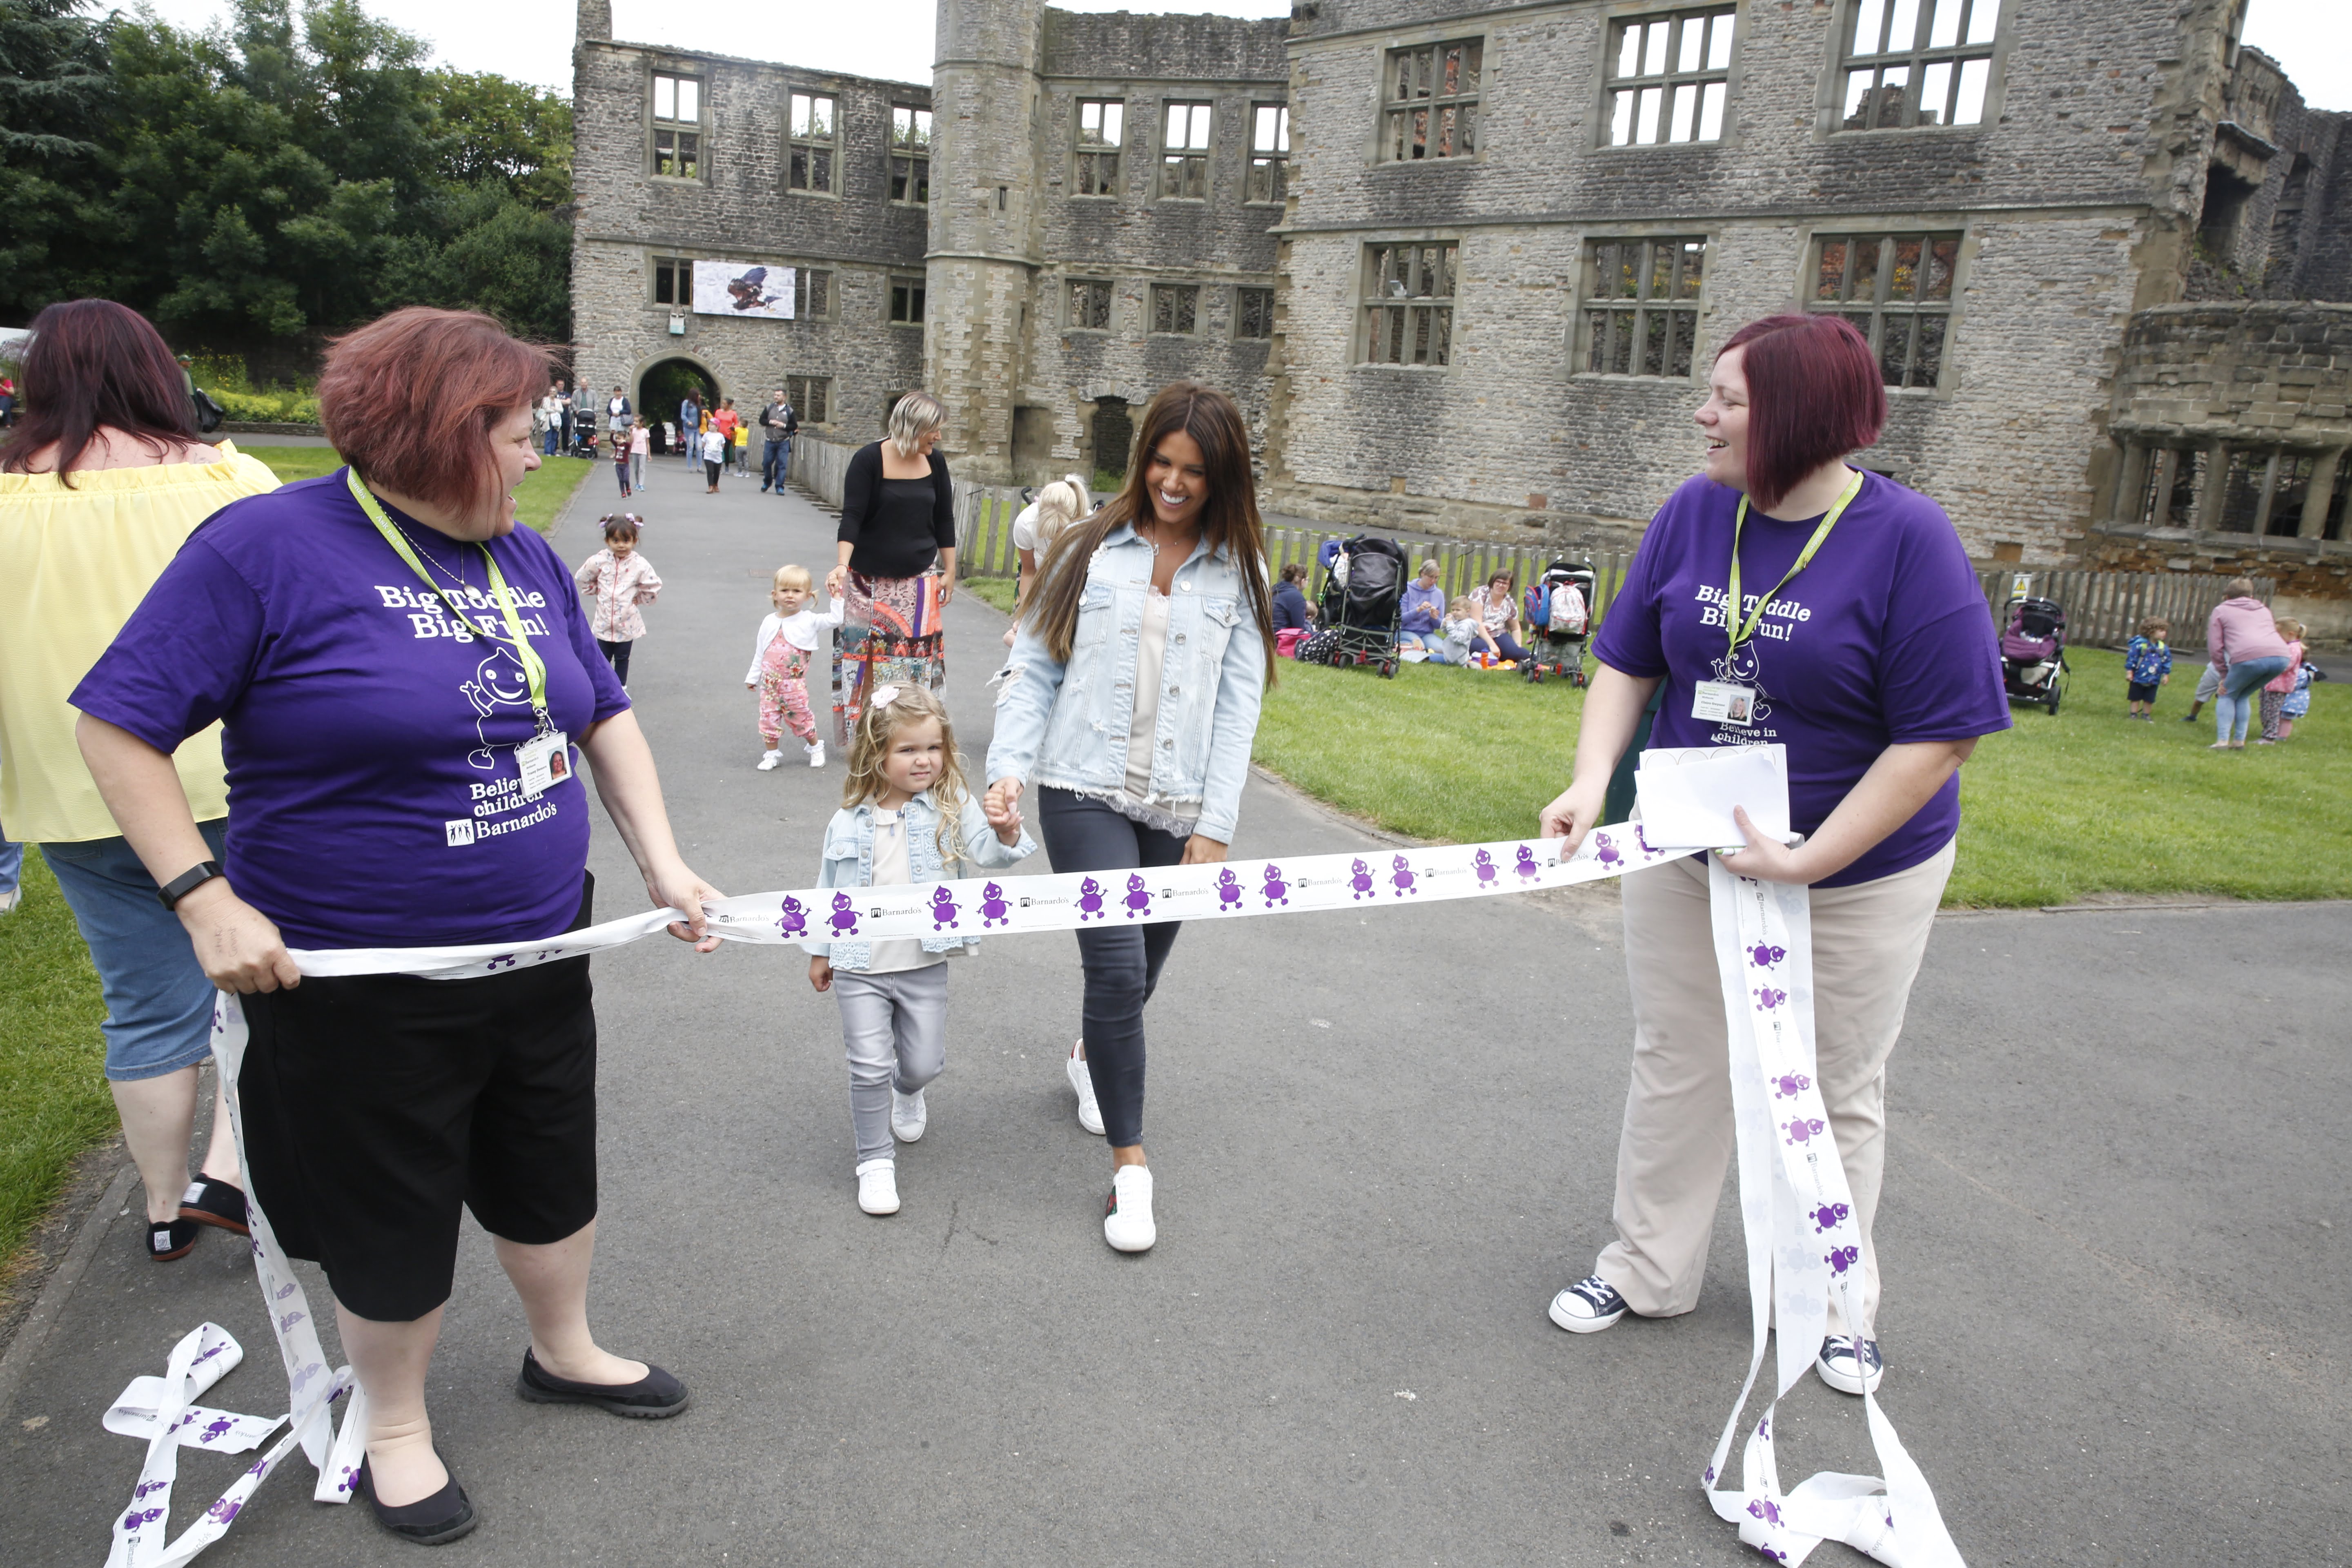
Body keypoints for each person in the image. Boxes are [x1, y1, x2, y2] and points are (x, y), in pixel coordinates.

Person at [71, 305, 723, 1545]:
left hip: (537, 948)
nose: (541, 454)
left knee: (547, 1168)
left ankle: (564, 1347)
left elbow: (597, 715)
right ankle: (396, 1424)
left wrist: (666, 862)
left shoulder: (524, 556)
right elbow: (119, 723)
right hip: (355, 979)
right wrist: (200, 894)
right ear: (442, 436)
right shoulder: (263, 549)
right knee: (392, 1207)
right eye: (521, 435)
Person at [1534, 313, 2010, 1401]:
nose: (1704, 415)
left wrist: (1813, 859)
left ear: (1796, 416)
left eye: (1730, 401)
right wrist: (1590, 778)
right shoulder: (1698, 512)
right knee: (1680, 1056)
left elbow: (1940, 737)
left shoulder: (1908, 539)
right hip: (1689, 846)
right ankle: (1646, 1270)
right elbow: (1626, 659)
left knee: (1831, 1084)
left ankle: (1833, 1305)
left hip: (1857, 873)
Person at [0, 298, 278, 1264]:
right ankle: (229, 1166)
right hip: (224, 775)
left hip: (71, 789)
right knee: (268, 976)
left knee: (142, 998)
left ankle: (163, 1210)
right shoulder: (234, 483)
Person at [983, 381, 1276, 1254]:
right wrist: (1007, 772)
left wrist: (1215, 826)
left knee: (1137, 979)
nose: (1174, 484)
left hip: (1180, 802)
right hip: (1080, 787)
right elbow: (1033, 673)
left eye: (1194, 472)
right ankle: (1132, 1171)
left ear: (1222, 478)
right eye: (1161, 463)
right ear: (1142, 457)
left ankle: (1087, 1060)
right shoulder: (1086, 548)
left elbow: (1238, 707)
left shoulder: (1240, 571)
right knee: (1114, 973)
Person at [805, 686, 1034, 1216]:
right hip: (858, 965)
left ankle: (908, 1091)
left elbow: (990, 855)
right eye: (908, 750)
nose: (924, 760)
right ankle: (875, 1162)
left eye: (933, 748)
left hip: (923, 963)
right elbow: (826, 891)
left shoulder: (953, 807)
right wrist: (819, 951)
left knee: (924, 1063)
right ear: (877, 754)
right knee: (867, 1066)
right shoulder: (847, 822)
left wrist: (1006, 832)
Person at [826, 391, 958, 735]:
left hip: (918, 585)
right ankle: (868, 734)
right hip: (866, 585)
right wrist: (842, 565)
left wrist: (950, 570)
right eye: (934, 429)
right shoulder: (869, 460)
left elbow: (944, 519)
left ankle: (907, 733)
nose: (939, 437)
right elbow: (852, 516)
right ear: (912, 427)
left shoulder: (936, 463)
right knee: (866, 661)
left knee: (914, 664)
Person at [746, 564, 845, 769]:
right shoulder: (768, 621)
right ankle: (771, 754)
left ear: (808, 596)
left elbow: (836, 619)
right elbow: (760, 651)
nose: (790, 596)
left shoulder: (809, 620)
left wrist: (837, 597)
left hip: (794, 685)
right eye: (784, 591)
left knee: (801, 718)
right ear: (775, 595)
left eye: (797, 591)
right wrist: (753, 676)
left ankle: (816, 747)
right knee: (768, 720)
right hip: (769, 684)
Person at [1003, 474, 1093, 647]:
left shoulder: (1088, 526)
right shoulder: (1026, 523)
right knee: (1020, 638)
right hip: (1037, 579)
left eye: (1060, 530)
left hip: (1073, 585)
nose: (1053, 538)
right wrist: (1025, 616)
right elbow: (1029, 572)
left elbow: (1085, 581)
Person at [575, 515, 662, 688]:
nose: (621, 545)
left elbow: (653, 584)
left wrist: (639, 598)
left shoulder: (639, 564)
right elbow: (582, 577)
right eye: (616, 540)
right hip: (604, 621)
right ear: (607, 541)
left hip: (626, 622)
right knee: (602, 657)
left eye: (626, 541)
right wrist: (596, 589)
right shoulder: (599, 561)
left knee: (622, 658)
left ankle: (620, 688)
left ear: (635, 541)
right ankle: (602, 687)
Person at [2205, 577, 2291, 751]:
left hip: (2248, 657)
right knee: (2243, 695)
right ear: (2251, 595)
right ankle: (2239, 742)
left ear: (2227, 596)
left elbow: (2215, 646)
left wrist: (2224, 674)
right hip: (2281, 657)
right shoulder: (2264, 609)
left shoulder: (2221, 611)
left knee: (2227, 694)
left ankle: (2223, 741)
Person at [1469, 570, 1534, 663]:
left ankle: (1536, 659)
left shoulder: (1509, 603)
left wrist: (1518, 647)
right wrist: (1492, 645)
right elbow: (1477, 622)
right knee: (1485, 650)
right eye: (1498, 582)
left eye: (1505, 583)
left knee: (1514, 653)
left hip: (1498, 633)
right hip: (1475, 634)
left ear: (1509, 586)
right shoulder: (1480, 593)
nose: (1501, 585)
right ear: (1492, 582)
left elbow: (1515, 628)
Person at [2258, 618, 2305, 744]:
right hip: (2270, 683)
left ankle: (2269, 737)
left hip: (2279, 686)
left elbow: (2286, 665)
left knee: (2272, 712)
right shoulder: (2287, 646)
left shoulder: (2293, 649)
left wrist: (2269, 665)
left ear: (2290, 634)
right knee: (2265, 709)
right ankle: (2267, 732)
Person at [2124, 616, 2172, 720]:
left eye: (2165, 631)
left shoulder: (2163, 648)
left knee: (2149, 699)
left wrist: (2166, 675)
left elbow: (2166, 662)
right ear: (2151, 632)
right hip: (2138, 677)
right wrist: (2129, 672)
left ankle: (2146, 715)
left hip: (2154, 678)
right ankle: (2133, 714)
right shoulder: (2140, 646)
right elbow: (2132, 659)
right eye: (2161, 631)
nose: (2164, 633)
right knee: (2135, 697)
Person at [1399, 559, 1446, 656]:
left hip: (1426, 634)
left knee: (1443, 650)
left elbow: (1439, 625)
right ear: (1422, 574)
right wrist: (1418, 610)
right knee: (1419, 646)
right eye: (1431, 577)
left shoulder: (1438, 594)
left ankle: (1427, 655)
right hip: (1406, 631)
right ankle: (1407, 648)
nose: (1433, 581)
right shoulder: (1407, 589)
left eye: (1436, 578)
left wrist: (1434, 618)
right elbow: (1401, 619)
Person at [1271, 560, 1312, 658]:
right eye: (1308, 580)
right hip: (1280, 640)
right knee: (1310, 630)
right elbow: (1299, 628)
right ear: (1302, 581)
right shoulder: (1296, 597)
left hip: (1268, 635)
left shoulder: (1276, 589)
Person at [759, 388, 796, 492]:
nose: (776, 397)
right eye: (775, 395)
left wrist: (783, 425)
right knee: (766, 463)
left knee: (782, 465)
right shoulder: (769, 408)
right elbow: (762, 420)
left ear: (784, 397)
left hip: (783, 441)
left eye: (778, 395)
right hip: (770, 440)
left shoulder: (790, 411)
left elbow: (794, 426)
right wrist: (770, 422)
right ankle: (767, 482)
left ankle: (779, 486)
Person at [1440, 595, 1490, 666]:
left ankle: (1469, 665)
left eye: (1458, 610)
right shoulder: (1457, 621)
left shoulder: (1466, 625)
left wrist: (1450, 624)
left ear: (1467, 611)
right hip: (1451, 655)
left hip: (1457, 658)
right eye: (1453, 610)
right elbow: (1445, 631)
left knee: (1431, 658)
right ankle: (1468, 665)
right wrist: (1446, 623)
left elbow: (1459, 639)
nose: (1454, 612)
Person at [2278, 650, 2319, 738]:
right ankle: (2278, 733)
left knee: (2286, 719)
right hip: (2289, 699)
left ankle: (2282, 736)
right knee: (2281, 717)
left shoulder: (2301, 672)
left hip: (2294, 700)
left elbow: (2293, 685)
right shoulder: (2298, 670)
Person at [701, 419, 727, 493]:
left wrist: (719, 451)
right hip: (708, 456)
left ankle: (715, 484)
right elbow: (704, 444)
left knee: (716, 472)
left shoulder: (720, 436)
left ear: (717, 427)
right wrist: (707, 450)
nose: (710, 426)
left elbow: (723, 445)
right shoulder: (707, 435)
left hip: (717, 456)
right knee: (710, 471)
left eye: (712, 425)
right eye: (709, 424)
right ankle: (710, 486)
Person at [535, 385, 561, 457]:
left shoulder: (558, 401)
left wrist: (554, 409)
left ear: (556, 393)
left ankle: (553, 452)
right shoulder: (546, 399)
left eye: (554, 391)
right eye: (551, 391)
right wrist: (555, 409)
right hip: (548, 420)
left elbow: (561, 410)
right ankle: (547, 452)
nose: (552, 393)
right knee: (549, 437)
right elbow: (547, 409)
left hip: (556, 421)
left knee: (555, 437)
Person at [628, 415, 650, 495]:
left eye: (637, 422)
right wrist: (631, 432)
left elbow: (648, 444)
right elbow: (631, 441)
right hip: (635, 450)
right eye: (634, 421)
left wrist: (649, 454)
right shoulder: (633, 431)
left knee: (642, 469)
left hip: (643, 451)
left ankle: (641, 484)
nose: (635, 423)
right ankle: (637, 483)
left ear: (642, 423)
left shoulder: (646, 431)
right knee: (636, 469)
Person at [679, 390, 703, 464]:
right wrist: (688, 421)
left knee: (699, 448)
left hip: (697, 428)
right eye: (698, 395)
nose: (699, 397)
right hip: (689, 429)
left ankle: (699, 466)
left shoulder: (698, 404)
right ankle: (690, 466)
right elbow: (683, 415)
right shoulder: (687, 403)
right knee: (691, 447)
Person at [554, 378, 575, 456]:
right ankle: (554, 449)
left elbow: (568, 402)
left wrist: (558, 401)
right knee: (555, 434)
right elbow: (551, 401)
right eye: (559, 385)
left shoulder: (567, 394)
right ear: (557, 385)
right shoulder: (554, 394)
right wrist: (563, 402)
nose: (561, 386)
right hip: (556, 417)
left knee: (566, 434)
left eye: (562, 385)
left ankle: (566, 449)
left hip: (565, 417)